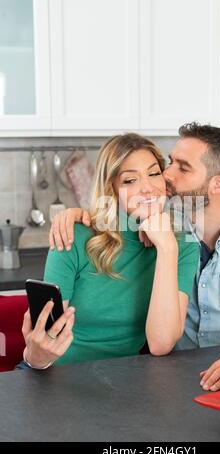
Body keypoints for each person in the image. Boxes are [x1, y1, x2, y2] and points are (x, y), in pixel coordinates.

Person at [50, 122, 220, 391]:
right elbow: (116, 204)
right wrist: (75, 215)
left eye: (182, 167)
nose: (166, 175)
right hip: (173, 381)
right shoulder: (162, 218)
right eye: (168, 163)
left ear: (218, 183)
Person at [21, 133, 198, 369]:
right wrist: (36, 356)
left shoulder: (181, 245)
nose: (147, 188)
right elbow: (43, 346)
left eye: (154, 173)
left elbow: (160, 344)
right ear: (111, 189)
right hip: (57, 375)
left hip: (123, 379)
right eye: (129, 180)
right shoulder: (74, 236)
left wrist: (166, 247)